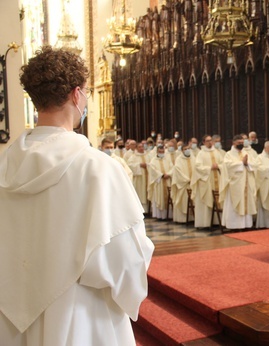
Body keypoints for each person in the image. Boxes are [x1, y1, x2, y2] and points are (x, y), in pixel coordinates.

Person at [0, 46, 154, 345]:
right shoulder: (97, 168)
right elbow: (124, 260)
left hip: (10, 313)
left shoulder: (4, 166)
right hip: (79, 316)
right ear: (76, 94)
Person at [220, 135, 257, 229]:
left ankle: (246, 225)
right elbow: (227, 166)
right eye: (239, 143)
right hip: (235, 185)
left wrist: (247, 164)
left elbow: (255, 164)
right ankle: (234, 225)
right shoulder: (229, 154)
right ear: (233, 143)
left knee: (246, 202)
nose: (241, 144)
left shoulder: (246, 153)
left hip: (246, 183)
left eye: (242, 143)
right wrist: (241, 163)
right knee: (234, 204)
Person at [191, 135, 223, 228]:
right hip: (206, 181)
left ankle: (217, 222)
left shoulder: (217, 152)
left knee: (218, 200)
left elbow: (223, 163)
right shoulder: (201, 154)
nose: (210, 142)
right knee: (206, 201)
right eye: (208, 141)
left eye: (211, 140)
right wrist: (209, 168)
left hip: (217, 179)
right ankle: (205, 223)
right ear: (204, 142)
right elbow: (198, 167)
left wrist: (219, 166)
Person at [148, 144, 174, 220]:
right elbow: (153, 170)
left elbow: (172, 168)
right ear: (157, 152)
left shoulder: (167, 159)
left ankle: (169, 215)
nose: (161, 153)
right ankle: (160, 215)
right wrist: (161, 175)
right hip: (159, 182)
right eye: (160, 151)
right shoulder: (153, 160)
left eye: (162, 151)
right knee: (159, 198)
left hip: (167, 180)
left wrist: (168, 174)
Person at [172, 142, 196, 223]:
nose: (187, 150)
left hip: (193, 184)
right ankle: (182, 219)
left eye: (188, 149)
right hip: (184, 185)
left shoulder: (194, 158)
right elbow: (178, 172)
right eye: (185, 149)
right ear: (182, 151)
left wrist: (194, 180)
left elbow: (197, 169)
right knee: (183, 200)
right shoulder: (178, 159)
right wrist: (188, 180)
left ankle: (192, 218)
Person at [127, 142, 151, 214]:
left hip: (148, 177)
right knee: (140, 193)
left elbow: (153, 164)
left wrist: (147, 165)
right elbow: (129, 166)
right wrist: (139, 165)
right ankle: (141, 210)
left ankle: (149, 210)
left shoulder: (148, 155)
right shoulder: (133, 156)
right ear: (136, 148)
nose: (141, 148)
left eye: (142, 147)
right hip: (139, 179)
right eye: (139, 147)